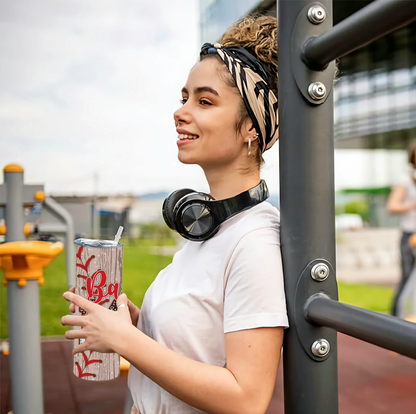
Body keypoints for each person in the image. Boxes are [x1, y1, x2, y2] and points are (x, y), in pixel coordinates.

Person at [61, 15, 288, 414]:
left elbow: (246, 399)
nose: (180, 112)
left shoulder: (254, 240)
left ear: (250, 126)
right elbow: (194, 344)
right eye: (184, 97)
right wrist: (134, 325)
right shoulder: (207, 227)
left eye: (204, 101)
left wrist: (125, 341)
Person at [387, 141, 416, 316]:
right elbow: (392, 206)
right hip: (410, 235)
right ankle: (395, 319)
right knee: (407, 277)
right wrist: (412, 205)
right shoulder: (406, 180)